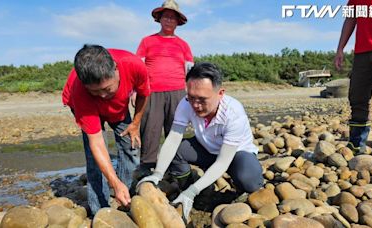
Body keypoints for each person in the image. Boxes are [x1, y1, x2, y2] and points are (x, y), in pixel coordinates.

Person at [137, 62, 263, 221]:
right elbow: (173, 138)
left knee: (250, 181)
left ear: (220, 93)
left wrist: (192, 191)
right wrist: (157, 174)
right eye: (191, 97)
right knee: (175, 150)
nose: (195, 105)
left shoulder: (234, 113)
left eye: (202, 99)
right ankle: (190, 186)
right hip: (205, 150)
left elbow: (223, 161)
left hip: (235, 154)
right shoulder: (186, 103)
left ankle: (205, 190)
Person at [62, 44, 149, 214]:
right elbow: (97, 143)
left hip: (119, 108)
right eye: (95, 91)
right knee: (94, 160)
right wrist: (113, 183)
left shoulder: (134, 65)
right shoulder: (79, 91)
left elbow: (144, 93)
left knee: (131, 147)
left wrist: (135, 124)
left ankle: (126, 196)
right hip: (86, 107)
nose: (102, 96)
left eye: (107, 89)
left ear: (116, 70)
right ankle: (100, 210)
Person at [136, 0, 194, 172]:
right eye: (166, 17)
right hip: (151, 92)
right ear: (159, 19)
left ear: (177, 22)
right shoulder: (147, 41)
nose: (169, 20)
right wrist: (135, 91)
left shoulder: (183, 44)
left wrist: (191, 92)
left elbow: (190, 70)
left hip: (177, 92)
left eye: (172, 18)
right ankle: (147, 165)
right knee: (150, 130)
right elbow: (138, 67)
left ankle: (175, 165)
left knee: (175, 129)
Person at [334, 0, 372, 154]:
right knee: (357, 97)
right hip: (362, 51)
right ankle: (357, 144)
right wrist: (340, 49)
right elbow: (350, 18)